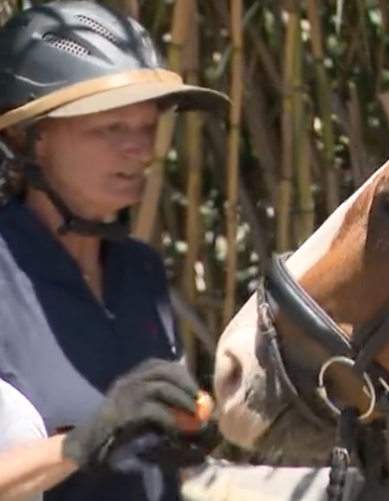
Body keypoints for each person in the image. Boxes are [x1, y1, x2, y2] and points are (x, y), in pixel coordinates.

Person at [0, 2, 231, 501]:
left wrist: (186, 436)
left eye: (147, 128)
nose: (140, 151)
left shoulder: (139, 270)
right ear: (28, 138)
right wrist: (83, 441)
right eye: (111, 129)